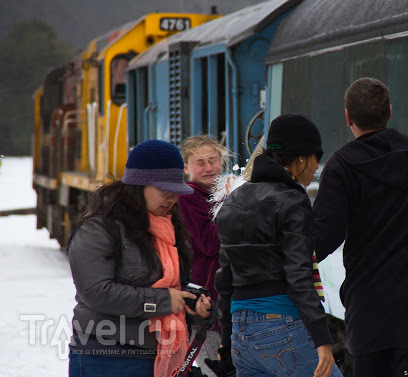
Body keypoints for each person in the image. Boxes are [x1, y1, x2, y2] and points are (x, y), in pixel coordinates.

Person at [312, 77, 408, 377]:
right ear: (389, 112)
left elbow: (323, 237)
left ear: (347, 118)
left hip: (371, 318)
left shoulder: (341, 167)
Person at [67, 139, 214, 377]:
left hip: (158, 356)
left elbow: (168, 285)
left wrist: (191, 303)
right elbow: (96, 291)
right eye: (164, 191)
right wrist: (164, 301)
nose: (172, 199)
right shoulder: (100, 226)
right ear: (138, 186)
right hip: (106, 357)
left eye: (176, 192)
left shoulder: (170, 226)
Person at [215, 114, 343, 377]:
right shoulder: (293, 201)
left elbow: (225, 280)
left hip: (242, 332)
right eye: (316, 158)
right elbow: (299, 276)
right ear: (300, 158)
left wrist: (227, 342)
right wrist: (322, 339)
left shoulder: (233, 201)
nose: (317, 167)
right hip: (281, 325)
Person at [178, 135, 232, 376]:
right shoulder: (188, 196)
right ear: (186, 167)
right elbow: (210, 243)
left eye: (214, 160)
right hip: (205, 305)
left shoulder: (216, 194)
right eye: (201, 162)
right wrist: (231, 203)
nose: (210, 168)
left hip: (222, 303)